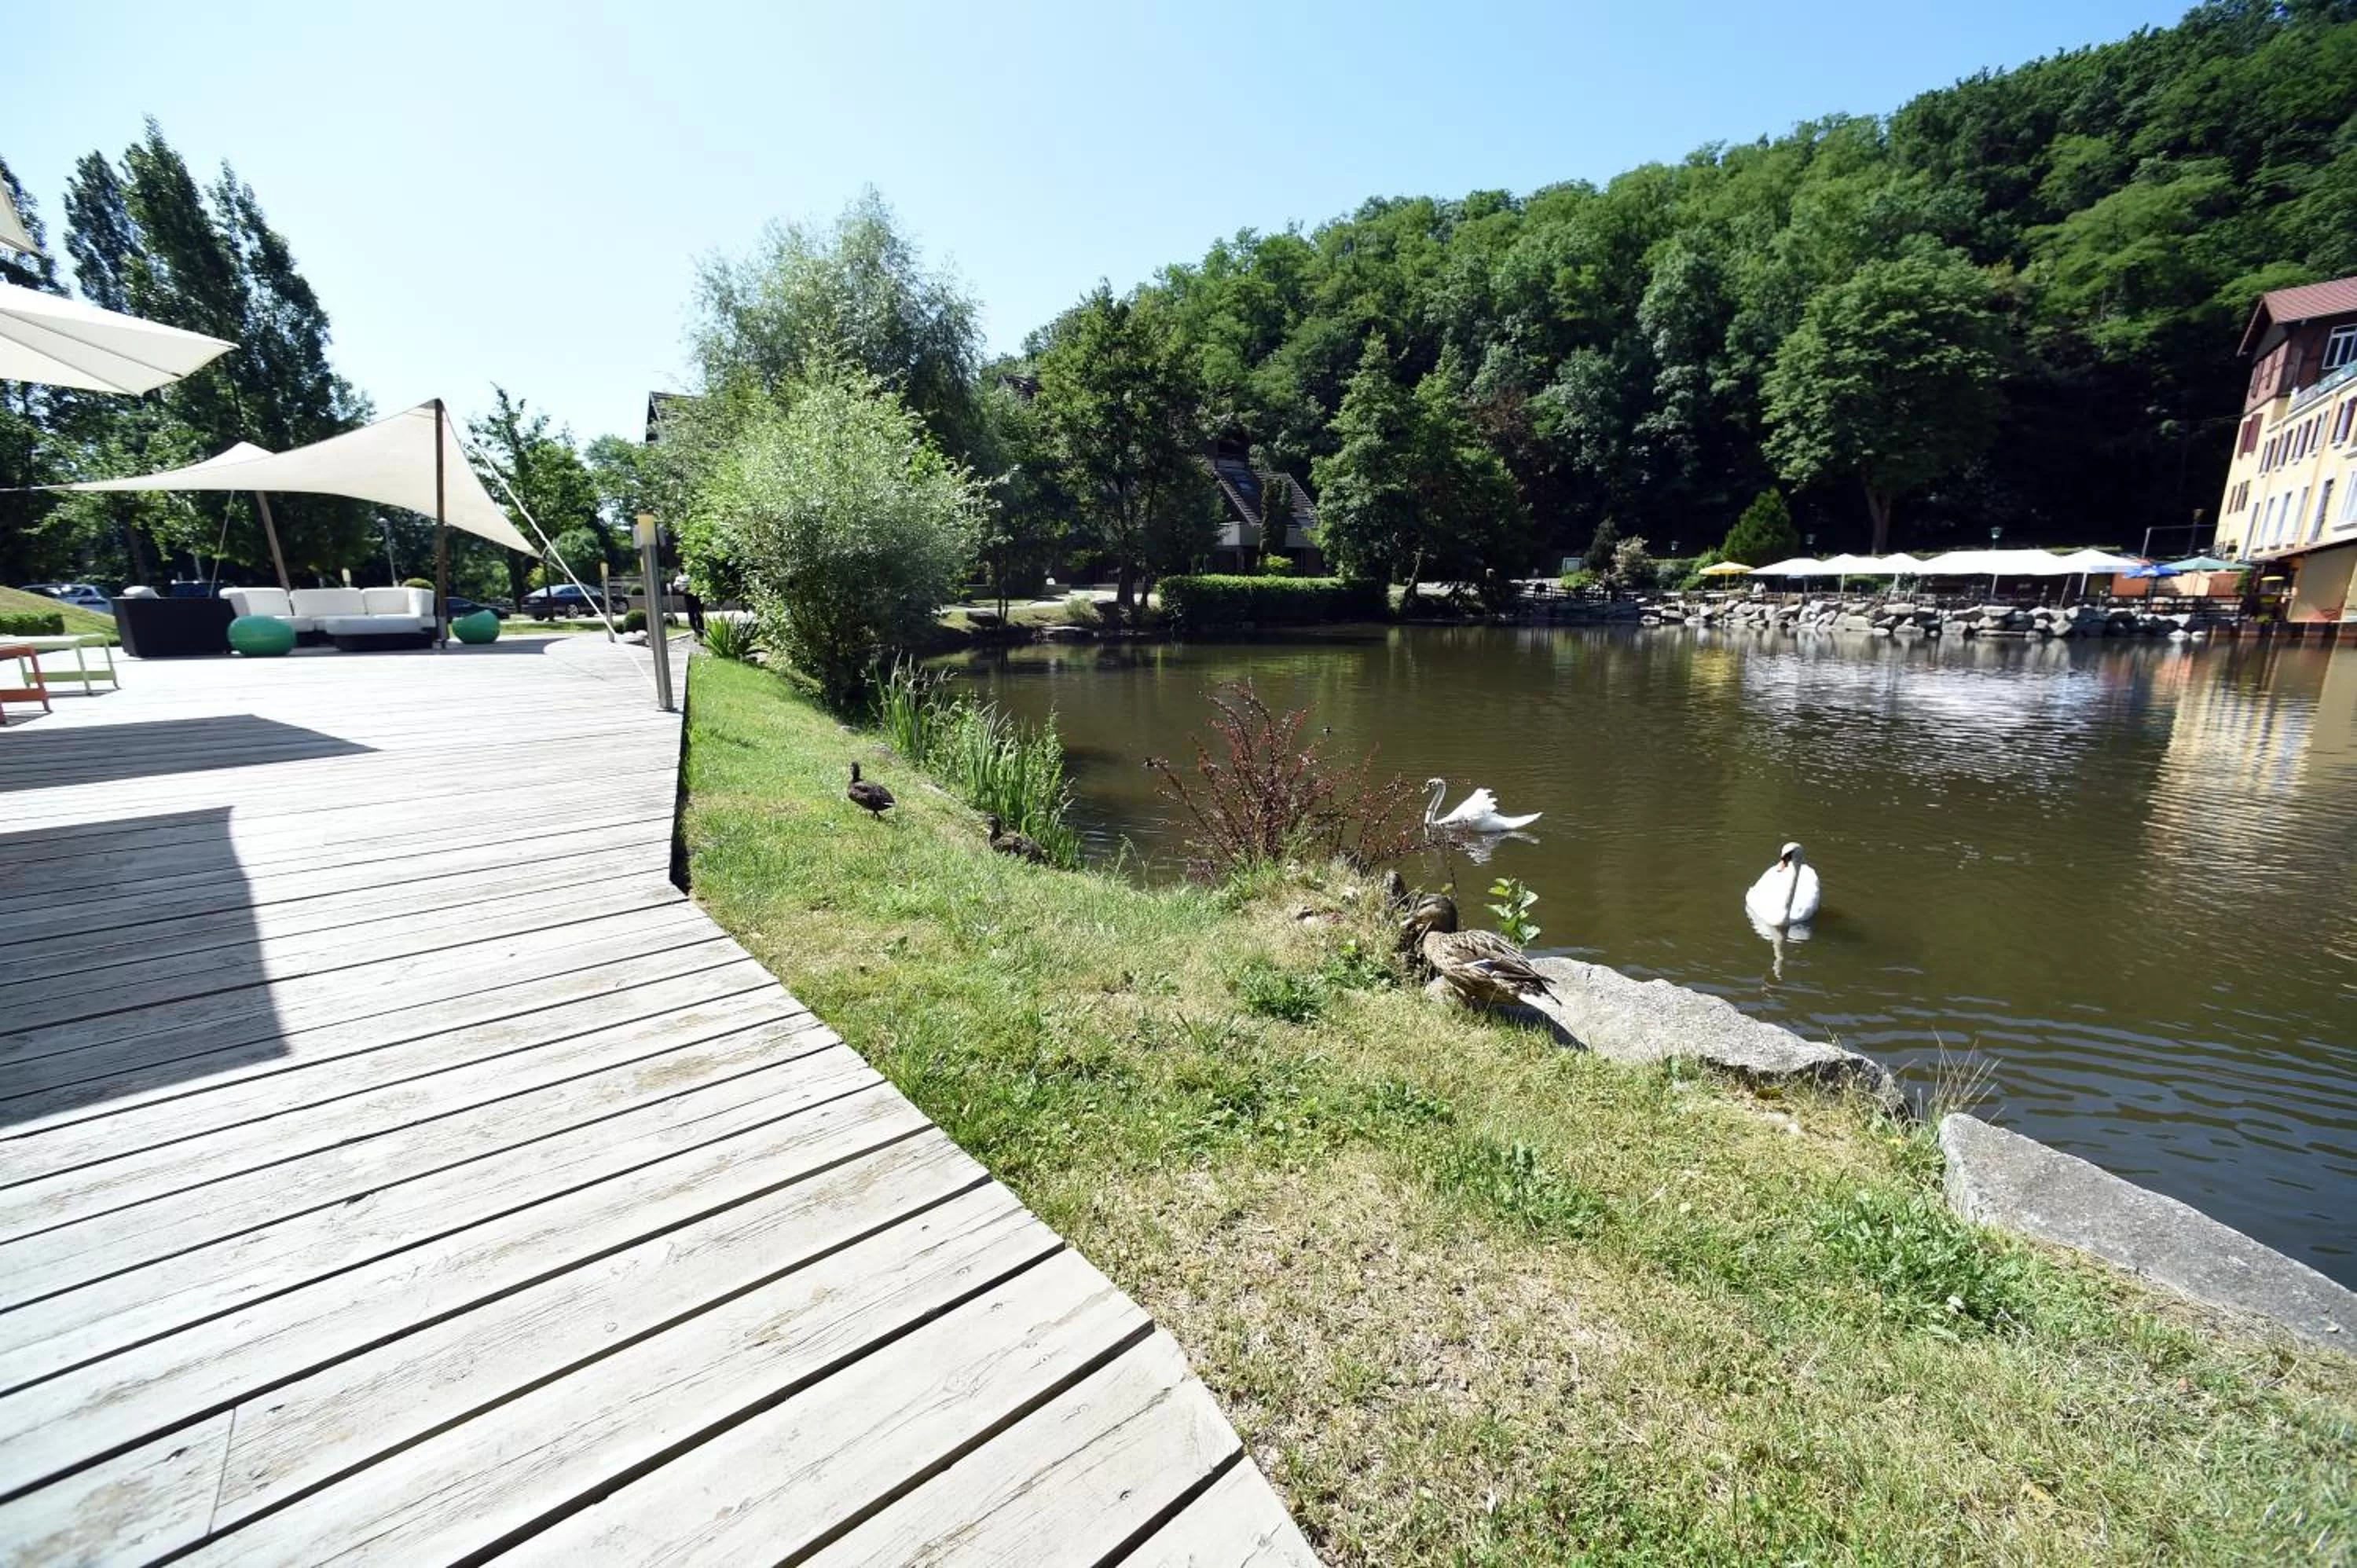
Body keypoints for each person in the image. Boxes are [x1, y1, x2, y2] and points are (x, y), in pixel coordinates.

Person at [672, 573, 706, 640]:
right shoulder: (681, 578)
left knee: (698, 617)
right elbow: (676, 586)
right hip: (690, 597)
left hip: (697, 597)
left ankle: (700, 636)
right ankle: (698, 633)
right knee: (694, 618)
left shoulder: (697, 575)